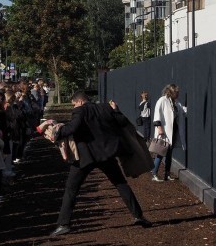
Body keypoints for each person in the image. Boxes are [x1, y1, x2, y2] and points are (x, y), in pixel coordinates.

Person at [50, 91, 151, 236]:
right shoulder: (105, 107)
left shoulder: (80, 110)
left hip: (86, 157)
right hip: (107, 155)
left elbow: (73, 127)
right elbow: (122, 122)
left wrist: (57, 132)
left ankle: (63, 224)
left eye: (73, 105)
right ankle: (138, 216)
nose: (73, 108)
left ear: (79, 102)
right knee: (121, 184)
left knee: (71, 189)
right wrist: (116, 110)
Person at [152, 83, 187, 182]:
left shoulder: (175, 102)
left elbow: (182, 110)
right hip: (164, 131)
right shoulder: (162, 100)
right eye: (176, 92)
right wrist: (159, 127)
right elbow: (157, 114)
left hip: (173, 131)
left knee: (169, 154)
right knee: (160, 152)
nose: (178, 94)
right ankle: (154, 173)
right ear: (171, 92)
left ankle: (167, 174)